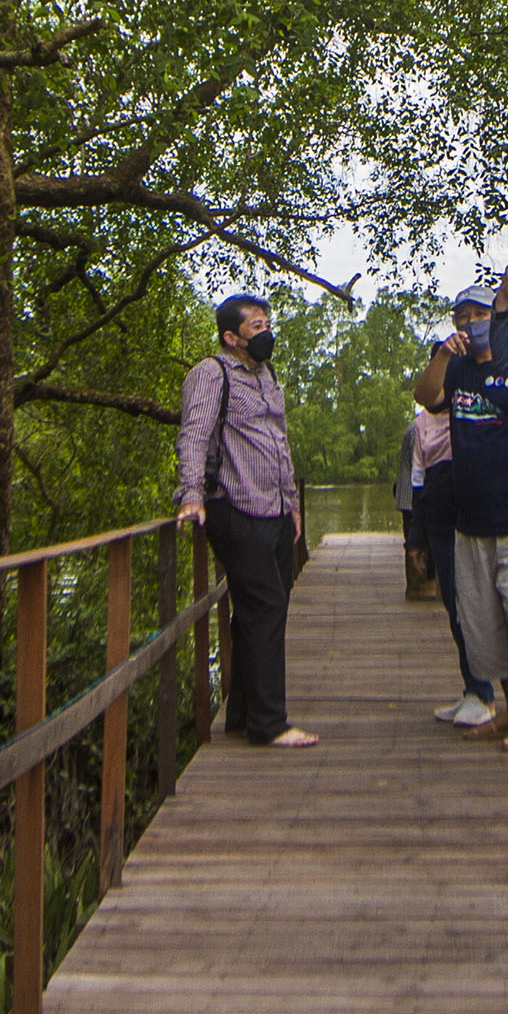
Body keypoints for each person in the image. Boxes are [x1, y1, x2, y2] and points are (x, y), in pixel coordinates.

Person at [174, 293, 317, 750]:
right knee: (266, 607)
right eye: (256, 326)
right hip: (234, 506)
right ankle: (270, 724)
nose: (266, 332)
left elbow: (279, 441)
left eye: (267, 323)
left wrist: (292, 504)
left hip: (274, 509)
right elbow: (194, 434)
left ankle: (241, 714)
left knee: (256, 611)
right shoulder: (211, 373)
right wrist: (191, 496)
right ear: (231, 337)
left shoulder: (266, 375)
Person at [410, 267, 508, 731]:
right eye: (462, 315)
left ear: (496, 317)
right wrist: (443, 355)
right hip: (469, 517)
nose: (469, 322)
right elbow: (426, 396)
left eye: (479, 313)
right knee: (485, 623)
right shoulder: (458, 366)